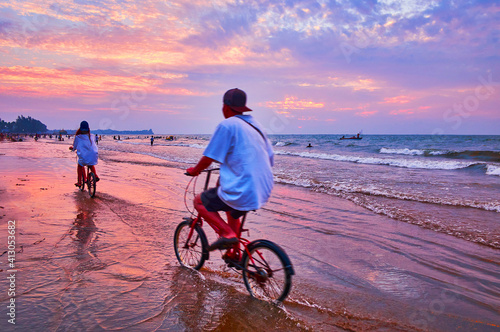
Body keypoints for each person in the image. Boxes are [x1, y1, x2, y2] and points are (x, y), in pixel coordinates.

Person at [186, 88, 274, 255]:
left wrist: (195, 171)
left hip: (243, 189)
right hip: (263, 188)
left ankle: (227, 233)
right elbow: (267, 158)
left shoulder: (227, 125)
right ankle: (235, 253)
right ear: (243, 107)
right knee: (231, 209)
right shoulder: (257, 126)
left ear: (225, 107)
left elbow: (209, 157)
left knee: (199, 202)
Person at [69, 121, 99, 187]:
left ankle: (79, 182)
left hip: (84, 157)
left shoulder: (78, 137)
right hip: (94, 155)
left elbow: (75, 146)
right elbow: (95, 140)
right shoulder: (92, 136)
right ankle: (95, 175)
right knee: (91, 164)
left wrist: (72, 148)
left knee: (80, 165)